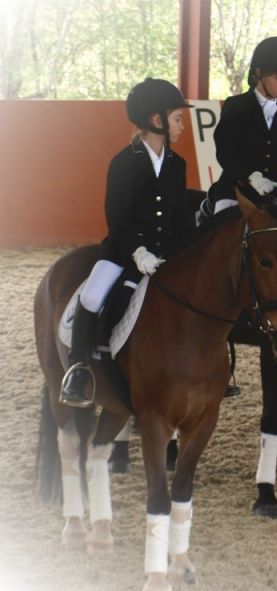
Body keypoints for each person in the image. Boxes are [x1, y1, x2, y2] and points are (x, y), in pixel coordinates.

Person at [61, 78, 194, 406]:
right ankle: (78, 369)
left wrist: (185, 250)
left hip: (165, 255)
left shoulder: (177, 165)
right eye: (177, 118)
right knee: (92, 296)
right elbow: (117, 217)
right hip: (123, 251)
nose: (182, 125)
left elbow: (179, 216)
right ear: (156, 120)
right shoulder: (124, 162)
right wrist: (138, 251)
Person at [198, 35, 277, 220]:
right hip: (235, 191)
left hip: (273, 192)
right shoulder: (236, 106)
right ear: (259, 72)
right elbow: (225, 152)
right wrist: (250, 177)